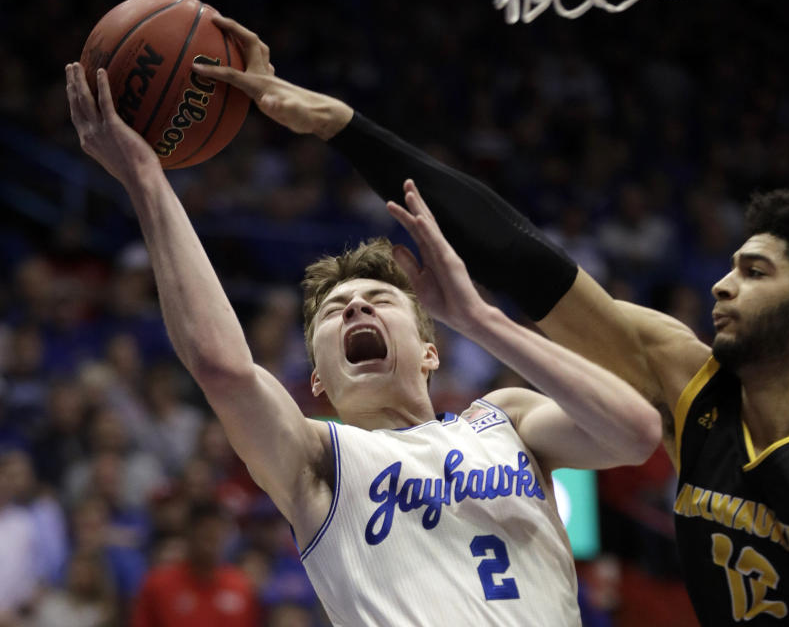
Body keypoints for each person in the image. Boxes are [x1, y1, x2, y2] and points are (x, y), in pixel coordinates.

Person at [192, 16, 789, 626]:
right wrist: (344, 129)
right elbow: (528, 261)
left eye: (755, 274)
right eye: (730, 264)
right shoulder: (684, 379)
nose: (721, 285)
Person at [64, 50, 662, 625]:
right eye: (333, 312)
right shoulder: (317, 461)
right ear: (317, 378)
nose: (353, 306)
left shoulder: (504, 419)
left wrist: (483, 320)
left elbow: (635, 433)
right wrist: (146, 178)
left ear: (431, 351)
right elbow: (224, 367)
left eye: (377, 299)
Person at [131, 502, 259, 627]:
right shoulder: (158, 584)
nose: (211, 539)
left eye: (216, 533)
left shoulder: (241, 587)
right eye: (205, 532)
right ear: (189, 533)